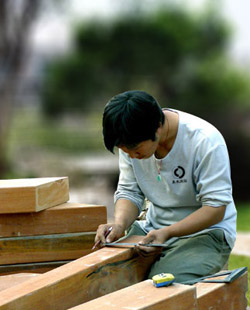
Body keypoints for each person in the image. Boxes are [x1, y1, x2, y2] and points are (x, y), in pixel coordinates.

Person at [94, 90, 236, 283]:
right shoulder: (130, 140)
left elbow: (215, 209)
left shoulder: (204, 140)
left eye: (135, 149)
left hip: (206, 233)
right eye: (124, 150)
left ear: (158, 127)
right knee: (102, 276)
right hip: (153, 230)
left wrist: (168, 232)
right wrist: (119, 224)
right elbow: (130, 192)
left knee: (161, 285)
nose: (131, 155)